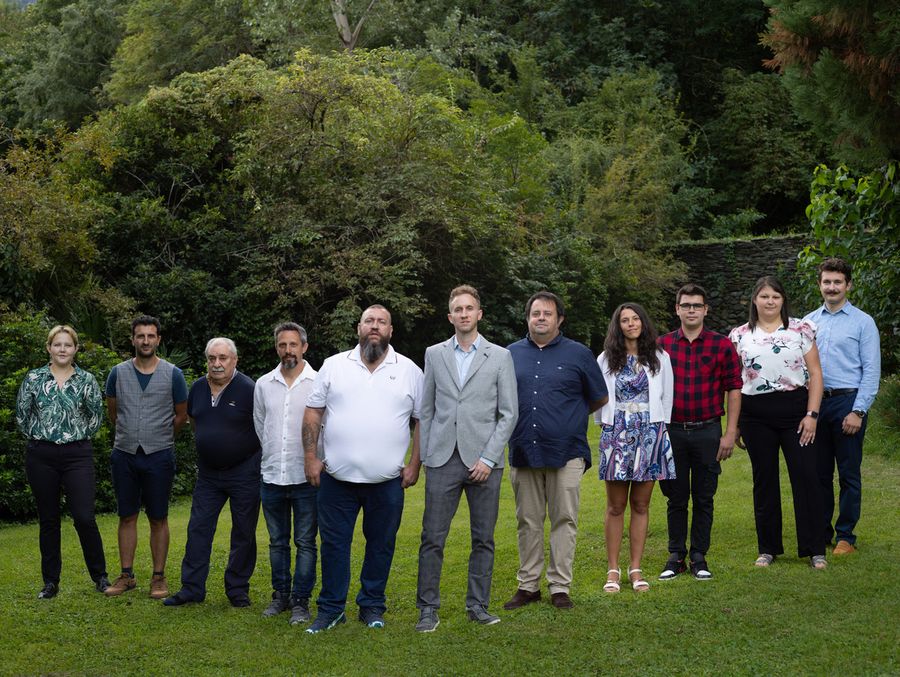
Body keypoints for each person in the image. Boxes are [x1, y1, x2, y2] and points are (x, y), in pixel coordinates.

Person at [302, 305, 423, 633]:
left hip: (386, 481)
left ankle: (371, 605)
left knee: (381, 544)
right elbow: (313, 413)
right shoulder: (334, 365)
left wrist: (415, 463)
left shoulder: (410, 370)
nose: (375, 326)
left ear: (390, 331)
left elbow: (422, 421)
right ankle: (331, 609)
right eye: (369, 321)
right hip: (336, 478)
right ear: (359, 328)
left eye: (381, 322)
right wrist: (310, 458)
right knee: (333, 544)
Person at [415, 286, 519, 632]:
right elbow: (426, 410)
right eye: (457, 309)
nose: (463, 314)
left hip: (484, 462)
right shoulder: (434, 354)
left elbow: (508, 414)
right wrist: (429, 454)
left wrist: (489, 458)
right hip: (443, 459)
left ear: (479, 314)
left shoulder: (500, 356)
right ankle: (428, 608)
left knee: (483, 538)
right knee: (432, 537)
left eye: (469, 308)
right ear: (450, 317)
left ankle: (478, 605)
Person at [504, 291, 608, 610]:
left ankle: (559, 586)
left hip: (567, 451)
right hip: (524, 450)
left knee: (564, 518)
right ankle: (528, 586)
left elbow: (599, 397)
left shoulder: (579, 354)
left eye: (548, 314)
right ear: (527, 317)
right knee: (528, 520)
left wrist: (567, 419)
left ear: (559, 319)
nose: (541, 318)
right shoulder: (508, 355)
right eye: (536, 313)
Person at [729, 276, 827, 570]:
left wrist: (812, 415)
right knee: (764, 480)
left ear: (783, 300)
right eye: (764, 296)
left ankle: (815, 549)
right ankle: (768, 548)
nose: (770, 301)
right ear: (754, 301)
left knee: (807, 476)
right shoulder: (739, 335)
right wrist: (736, 424)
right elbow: (734, 382)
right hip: (755, 414)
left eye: (775, 296)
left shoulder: (800, 329)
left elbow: (817, 374)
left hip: (795, 410)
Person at [164, 338, 261, 606]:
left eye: (223, 358)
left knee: (243, 532)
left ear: (234, 360)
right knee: (198, 529)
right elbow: (196, 422)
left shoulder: (249, 389)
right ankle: (192, 589)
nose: (217, 364)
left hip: (244, 472)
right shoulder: (196, 388)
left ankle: (237, 589)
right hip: (208, 475)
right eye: (212, 358)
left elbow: (262, 428)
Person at [16, 325, 109, 599]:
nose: (63, 350)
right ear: (48, 348)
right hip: (41, 455)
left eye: (68, 345)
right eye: (57, 345)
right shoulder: (34, 379)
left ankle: (100, 576)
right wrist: (44, 435)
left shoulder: (86, 380)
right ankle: (50, 582)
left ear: (76, 349)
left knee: (84, 517)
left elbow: (96, 416)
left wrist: (73, 436)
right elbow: (22, 415)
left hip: (77, 454)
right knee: (49, 519)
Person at [657, 284, 743, 581]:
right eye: (686, 305)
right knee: (676, 497)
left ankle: (698, 557)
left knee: (704, 496)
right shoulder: (662, 345)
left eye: (697, 305)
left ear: (706, 309)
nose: (691, 310)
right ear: (677, 309)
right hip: (672, 431)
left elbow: (734, 388)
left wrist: (730, 432)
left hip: (708, 430)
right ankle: (675, 555)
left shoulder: (721, 345)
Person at [104, 316, 188, 599]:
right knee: (126, 515)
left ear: (158, 340)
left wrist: (160, 436)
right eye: (140, 336)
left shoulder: (173, 374)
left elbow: (181, 415)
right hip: (124, 454)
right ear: (133, 340)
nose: (146, 341)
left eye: (151, 336)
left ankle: (158, 576)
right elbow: (113, 413)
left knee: (158, 517)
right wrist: (130, 434)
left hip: (159, 455)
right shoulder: (117, 373)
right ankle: (126, 575)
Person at [596, 303, 674, 593]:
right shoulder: (605, 359)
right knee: (616, 506)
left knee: (641, 504)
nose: (631, 324)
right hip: (616, 433)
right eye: (624, 320)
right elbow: (598, 396)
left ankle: (636, 568)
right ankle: (613, 569)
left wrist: (660, 429)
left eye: (635, 318)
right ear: (618, 326)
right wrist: (606, 427)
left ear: (643, 322)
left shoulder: (658, 357)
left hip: (650, 432)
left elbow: (667, 395)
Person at [804, 258, 880, 554]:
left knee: (848, 473)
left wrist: (859, 410)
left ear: (848, 285)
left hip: (848, 403)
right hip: (817, 405)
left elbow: (871, 370)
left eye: (838, 282)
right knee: (818, 473)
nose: (832, 287)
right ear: (820, 285)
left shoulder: (863, 322)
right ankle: (821, 532)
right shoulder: (809, 323)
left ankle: (846, 536)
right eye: (827, 282)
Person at [253, 322, 319, 624]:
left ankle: (301, 602)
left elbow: (325, 427)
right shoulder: (264, 384)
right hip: (272, 476)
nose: (288, 350)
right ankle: (280, 595)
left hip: (306, 477)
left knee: (305, 542)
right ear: (276, 347)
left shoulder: (318, 382)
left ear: (304, 347)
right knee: (277, 541)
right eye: (282, 345)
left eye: (293, 344)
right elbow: (260, 424)